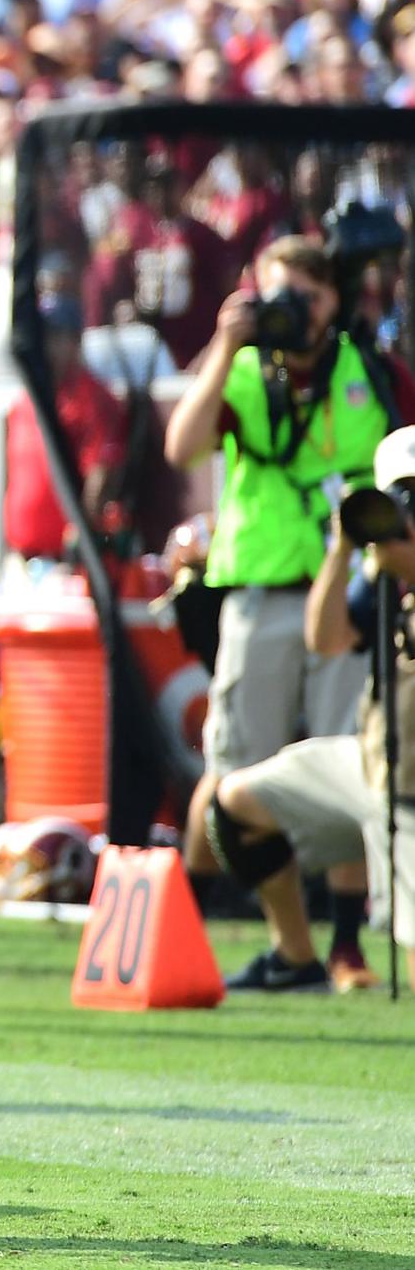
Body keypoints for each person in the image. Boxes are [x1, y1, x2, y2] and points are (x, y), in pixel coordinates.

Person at [165, 235, 397, 933]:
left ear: (334, 299)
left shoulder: (371, 370)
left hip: (347, 594)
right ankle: (251, 936)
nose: (295, 311)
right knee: (234, 765)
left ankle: (349, 941)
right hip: (261, 590)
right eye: (280, 295)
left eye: (309, 295)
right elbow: (182, 447)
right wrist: (221, 346)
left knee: (347, 763)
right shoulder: (239, 370)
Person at [206, 422, 415, 992]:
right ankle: (296, 954)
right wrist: (344, 543)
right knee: (235, 805)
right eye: (401, 499)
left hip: (413, 793)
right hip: (375, 764)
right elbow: (325, 638)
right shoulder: (380, 573)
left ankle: (352, 943)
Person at [2, 296, 128, 563]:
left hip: (66, 561)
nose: (46, 347)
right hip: (21, 557)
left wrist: (81, 538)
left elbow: (101, 471)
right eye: (42, 337)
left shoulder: (91, 398)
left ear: (76, 341)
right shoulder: (29, 397)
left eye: (56, 336)